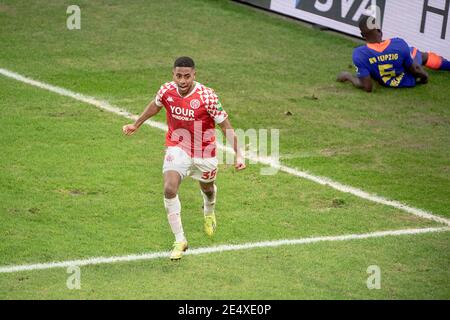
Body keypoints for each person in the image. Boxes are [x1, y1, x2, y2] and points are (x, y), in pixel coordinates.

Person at [123, 57, 246, 260]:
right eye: (178, 76)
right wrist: (136, 124)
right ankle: (180, 239)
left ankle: (208, 211)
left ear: (194, 75)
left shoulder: (207, 97)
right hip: (177, 147)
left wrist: (239, 154)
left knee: (207, 188)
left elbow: (225, 126)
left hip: (204, 152)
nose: (182, 80)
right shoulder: (166, 90)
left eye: (187, 76)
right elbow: (155, 105)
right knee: (169, 188)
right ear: (173, 74)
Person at [337, 16, 450, 92]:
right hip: (408, 80)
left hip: (388, 82)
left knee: (411, 53)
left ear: (362, 35)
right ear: (380, 31)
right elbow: (415, 70)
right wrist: (425, 77)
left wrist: (348, 76)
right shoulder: (398, 44)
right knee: (418, 53)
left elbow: (367, 87)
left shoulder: (360, 54)